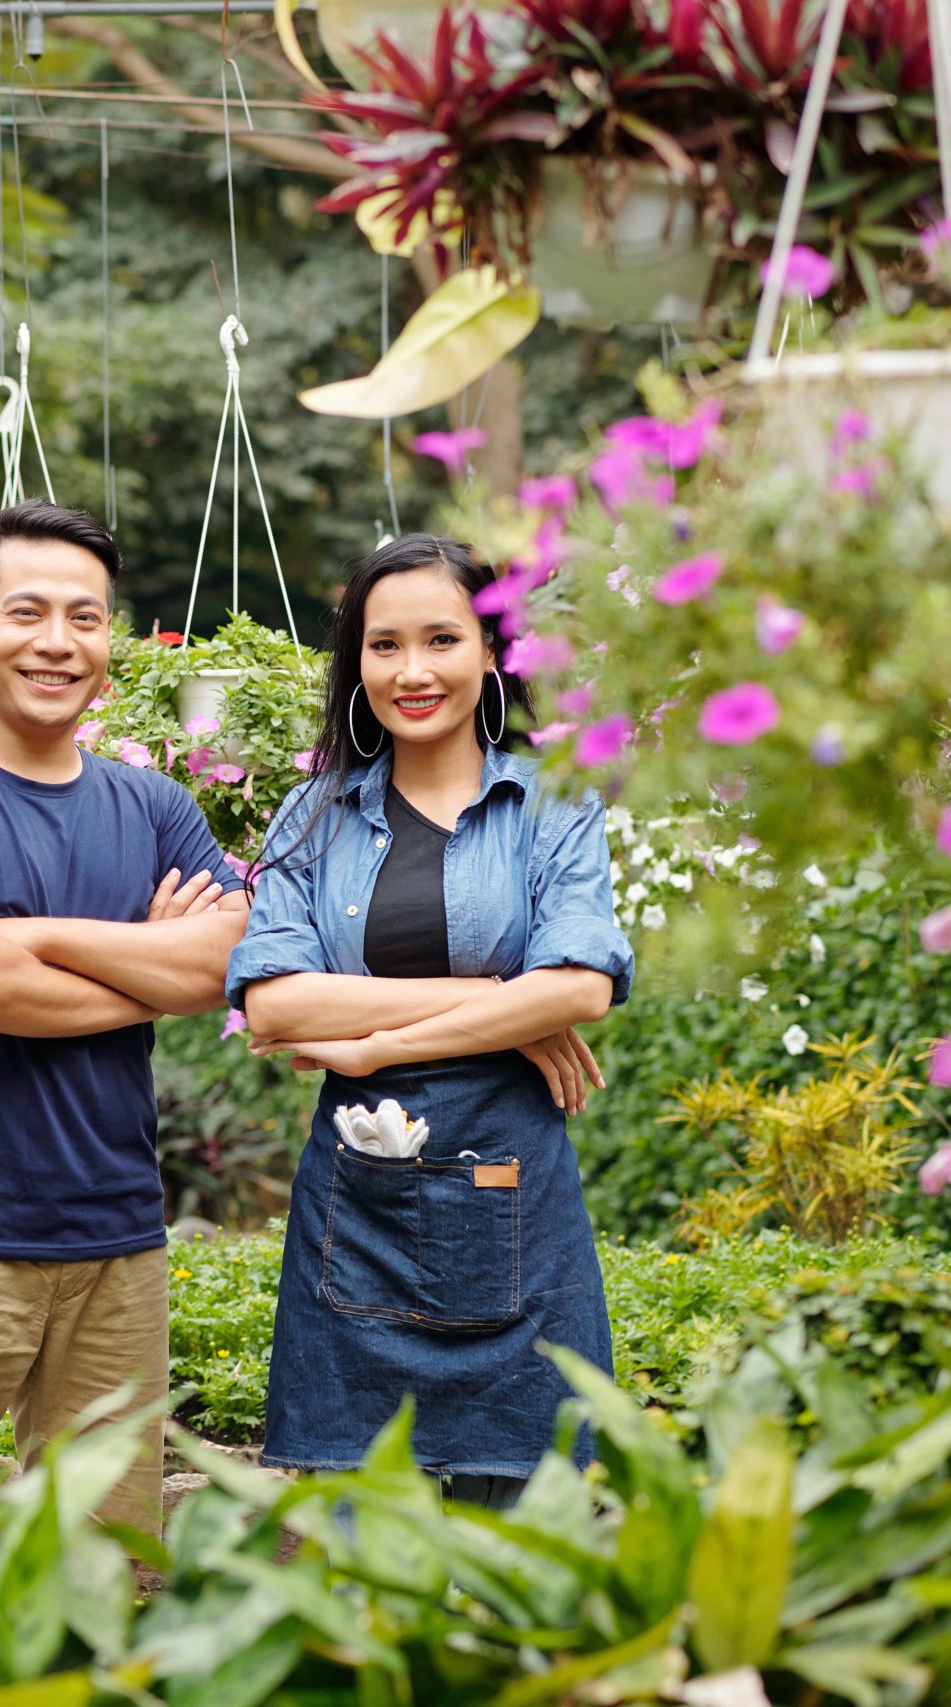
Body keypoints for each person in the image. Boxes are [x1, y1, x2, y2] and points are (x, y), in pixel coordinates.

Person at [0, 500, 250, 1536]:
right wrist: (144, 963)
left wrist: (25, 935)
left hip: (118, 1244)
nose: (58, 642)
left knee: (104, 1566)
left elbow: (225, 963)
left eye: (86, 617)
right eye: (28, 613)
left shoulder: (155, 807)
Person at [224, 534, 634, 1506]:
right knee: (361, 1544)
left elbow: (579, 987)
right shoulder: (310, 818)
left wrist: (374, 1045)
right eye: (383, 645)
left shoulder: (554, 805)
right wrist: (502, 1005)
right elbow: (277, 1001)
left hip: (515, 1191)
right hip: (354, 1205)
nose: (411, 671)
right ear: (355, 661)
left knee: (527, 1543)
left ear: (491, 651)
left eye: (442, 639)